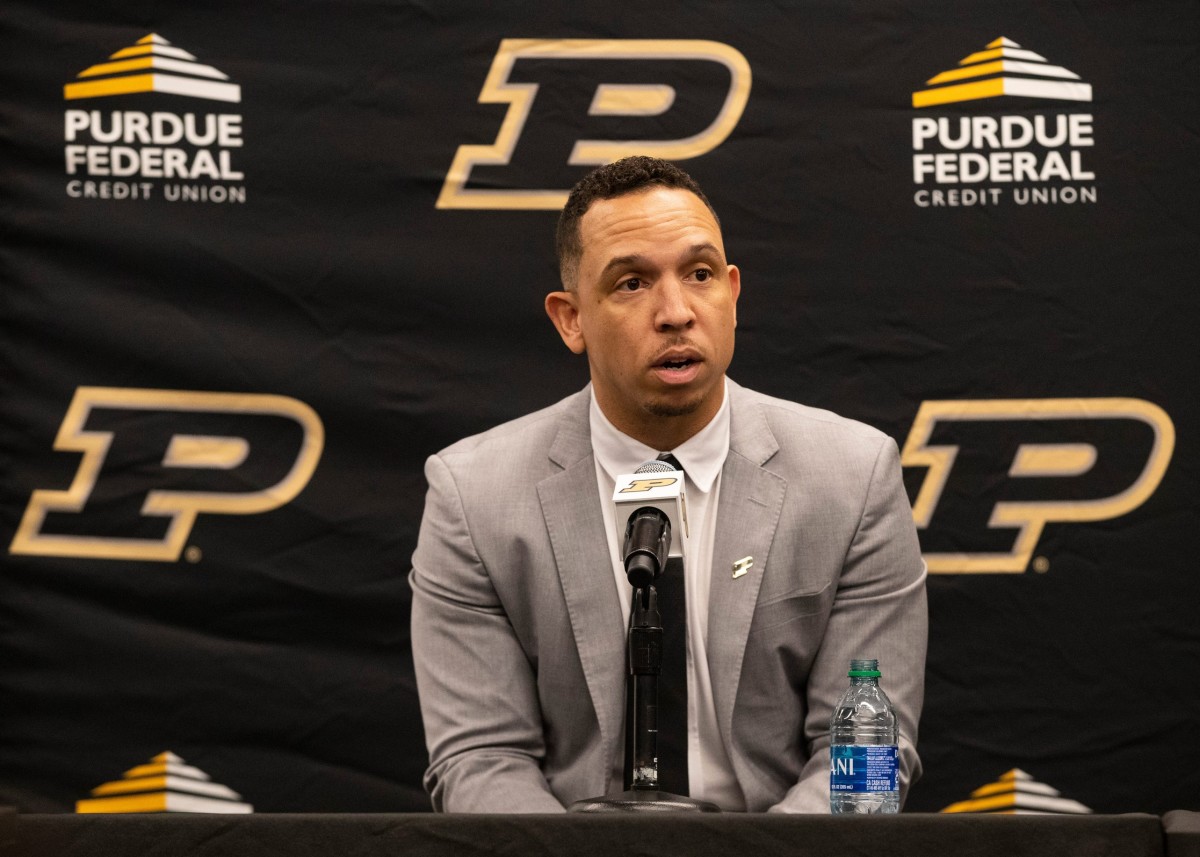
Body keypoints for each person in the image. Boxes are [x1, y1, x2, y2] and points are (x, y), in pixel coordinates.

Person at [409, 156, 927, 813]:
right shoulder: (473, 496)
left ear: (732, 294)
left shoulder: (853, 476)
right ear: (571, 319)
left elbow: (868, 758)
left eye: (700, 274)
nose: (676, 312)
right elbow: (481, 759)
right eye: (631, 283)